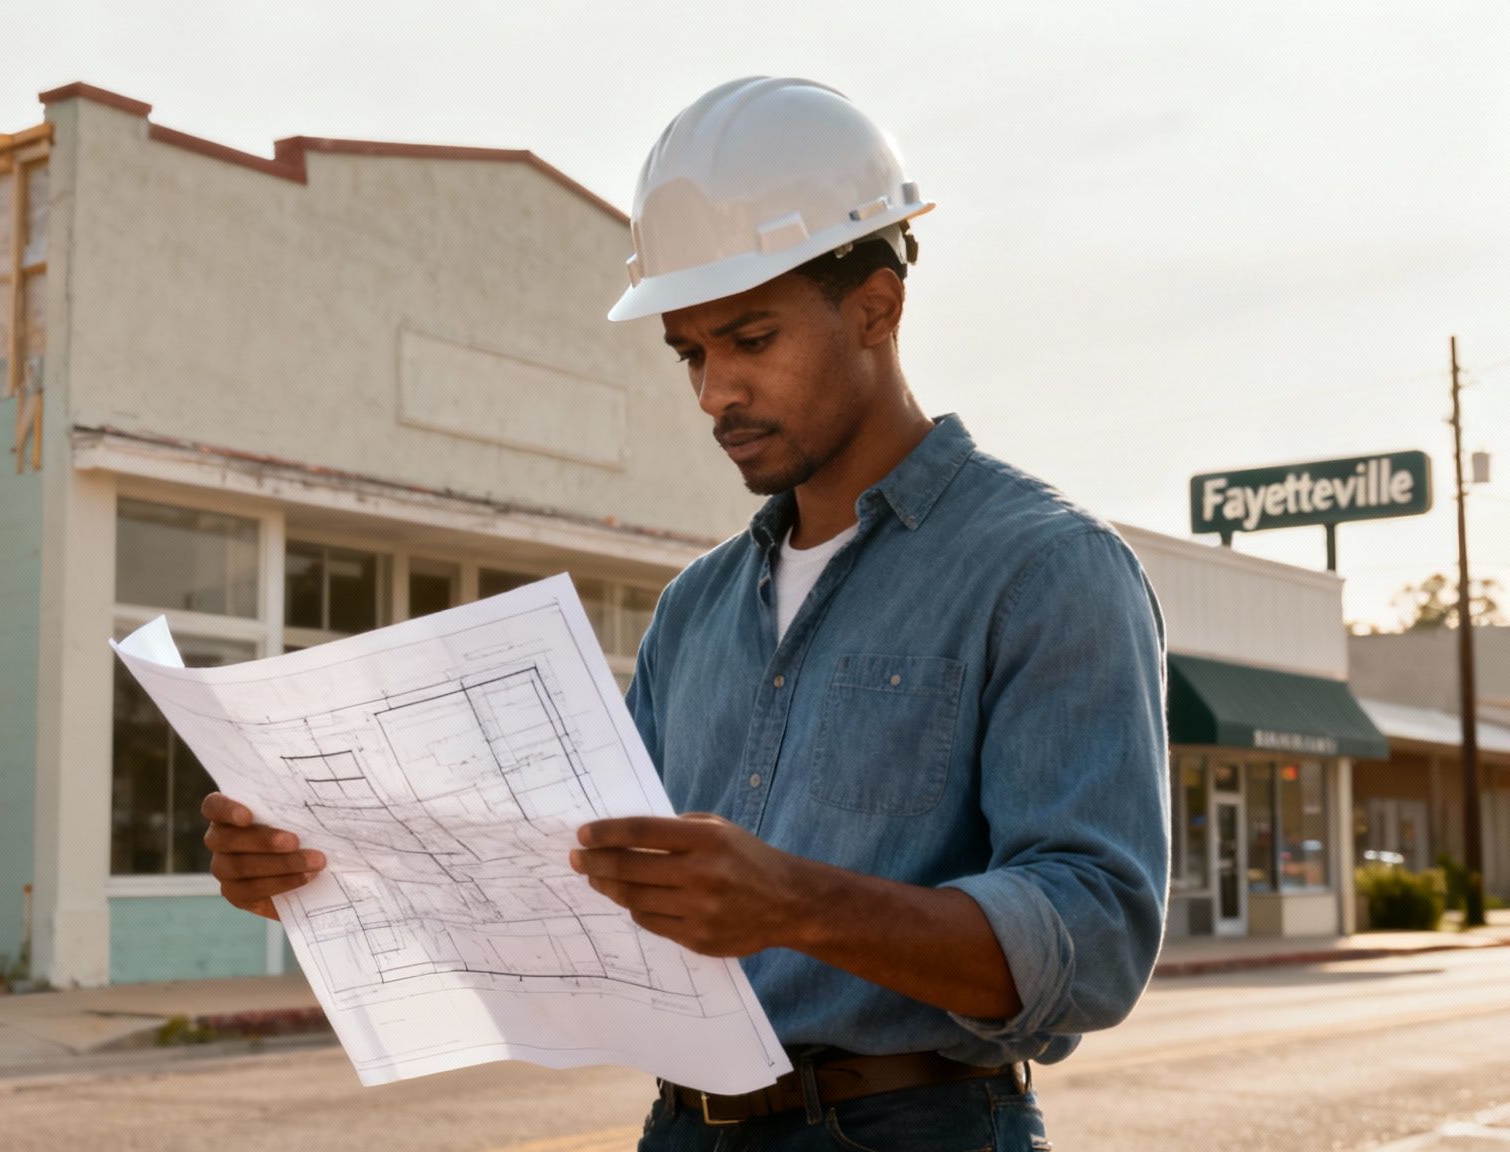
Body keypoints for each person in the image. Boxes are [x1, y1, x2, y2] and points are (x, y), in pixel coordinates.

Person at [202, 77, 1169, 1151]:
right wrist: (322, 874)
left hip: (916, 1126)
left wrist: (800, 906)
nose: (713, 392)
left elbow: (1096, 936)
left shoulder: (1044, 568)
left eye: (748, 340)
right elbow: (569, 883)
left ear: (875, 307)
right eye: (690, 353)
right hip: (681, 1128)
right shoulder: (696, 608)